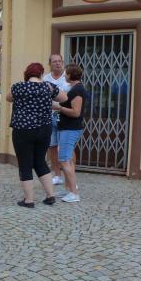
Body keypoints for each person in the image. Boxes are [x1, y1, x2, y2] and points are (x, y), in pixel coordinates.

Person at [7, 62, 68, 208]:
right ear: (41, 74)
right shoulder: (48, 86)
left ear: (27, 74)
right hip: (43, 130)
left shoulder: (18, 87)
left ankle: (29, 200)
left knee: (25, 164)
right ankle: (50, 196)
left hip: (23, 130)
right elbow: (64, 98)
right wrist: (49, 96)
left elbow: (8, 98)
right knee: (40, 161)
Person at [55, 64, 88, 202]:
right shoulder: (74, 89)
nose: (64, 75)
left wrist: (59, 108)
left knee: (64, 159)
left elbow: (76, 112)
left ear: (70, 75)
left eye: (66, 73)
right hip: (67, 128)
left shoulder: (77, 90)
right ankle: (69, 190)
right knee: (67, 159)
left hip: (70, 129)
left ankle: (74, 193)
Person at [43, 55, 70, 185]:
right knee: (52, 147)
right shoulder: (45, 79)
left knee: (67, 148)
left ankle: (70, 178)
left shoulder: (67, 77)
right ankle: (57, 175)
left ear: (62, 63)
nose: (57, 63)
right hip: (49, 116)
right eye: (54, 62)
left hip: (64, 116)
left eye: (59, 61)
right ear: (50, 64)